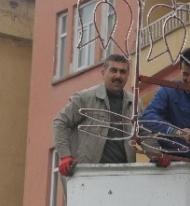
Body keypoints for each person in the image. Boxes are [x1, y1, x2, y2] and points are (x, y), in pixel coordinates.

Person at [52, 54, 169, 197]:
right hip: (87, 175)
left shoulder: (134, 103)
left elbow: (144, 134)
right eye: (113, 70)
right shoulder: (85, 98)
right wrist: (65, 156)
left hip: (122, 177)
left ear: (127, 75)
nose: (118, 76)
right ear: (103, 73)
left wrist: (156, 154)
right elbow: (60, 122)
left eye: (123, 71)